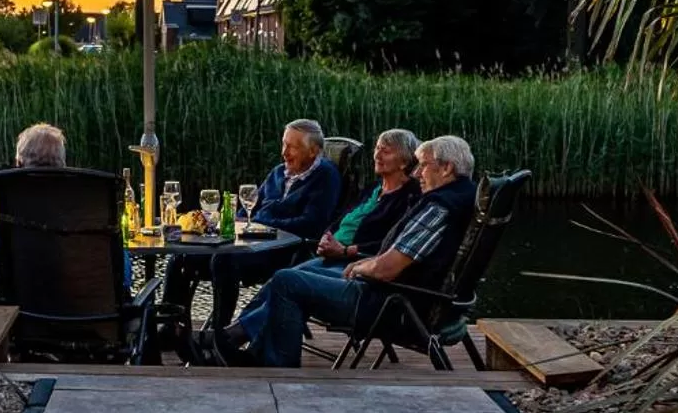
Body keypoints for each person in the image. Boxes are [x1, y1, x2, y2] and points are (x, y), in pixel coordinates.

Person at [196, 135, 480, 367]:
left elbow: (387, 269)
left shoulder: (439, 208)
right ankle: (246, 346)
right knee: (296, 273)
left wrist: (359, 265)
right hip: (395, 293)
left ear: (447, 168)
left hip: (389, 303)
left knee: (287, 281)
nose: (417, 173)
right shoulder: (457, 198)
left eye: (423, 165)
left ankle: (273, 365)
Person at [162, 118, 343, 331]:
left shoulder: (325, 176)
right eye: (283, 144)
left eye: (292, 147)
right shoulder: (278, 172)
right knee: (180, 258)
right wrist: (236, 221)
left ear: (313, 151)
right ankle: (170, 328)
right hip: (249, 242)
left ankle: (219, 334)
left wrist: (262, 224)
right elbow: (249, 208)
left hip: (281, 252)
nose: (284, 152)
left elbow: (311, 224)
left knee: (223, 261)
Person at [0, 122, 67, 287]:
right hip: (83, 302)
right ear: (63, 164)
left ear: (19, 164)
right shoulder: (85, 205)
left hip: (20, 302)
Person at [314, 129, 420, 265]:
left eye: (386, 152)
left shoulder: (409, 196)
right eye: (377, 148)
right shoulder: (374, 187)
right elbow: (342, 217)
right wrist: (326, 236)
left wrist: (345, 250)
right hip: (330, 256)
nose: (377, 155)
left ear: (404, 162)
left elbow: (392, 242)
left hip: (358, 264)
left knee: (286, 277)